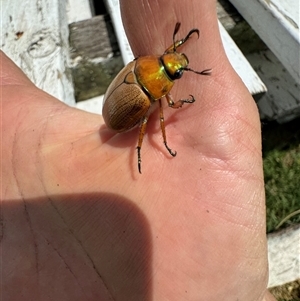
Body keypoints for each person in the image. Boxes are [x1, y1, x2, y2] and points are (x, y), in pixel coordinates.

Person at [1, 0, 276, 300]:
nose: (176, 63)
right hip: (122, 109)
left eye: (176, 69)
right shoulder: (157, 90)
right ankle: (143, 149)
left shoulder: (145, 65)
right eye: (175, 67)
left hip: (127, 93)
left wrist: (175, 50)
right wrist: (178, 101)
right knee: (154, 114)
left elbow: (165, 63)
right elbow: (168, 103)